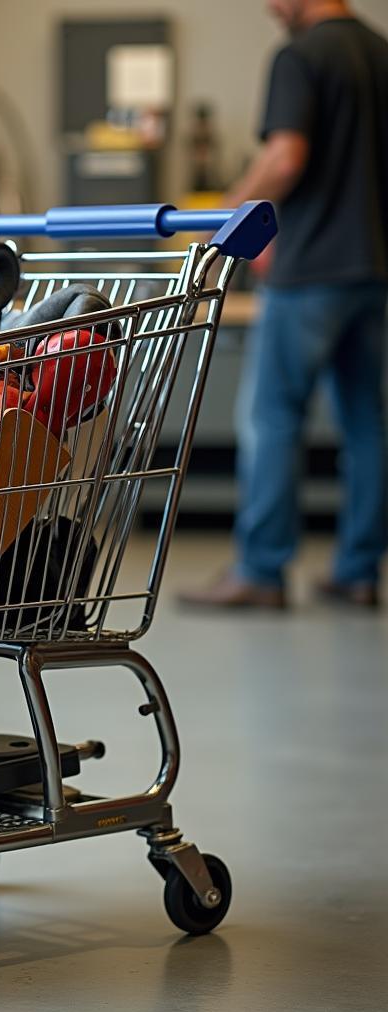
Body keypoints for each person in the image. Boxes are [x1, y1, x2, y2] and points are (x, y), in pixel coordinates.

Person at [181, 0, 388, 610]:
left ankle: (262, 570)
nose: (270, 8)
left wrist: (223, 222)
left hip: (310, 272)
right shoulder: (381, 55)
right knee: (365, 423)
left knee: (272, 418)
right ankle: (358, 570)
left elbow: (284, 157)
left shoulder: (300, 56)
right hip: (374, 268)